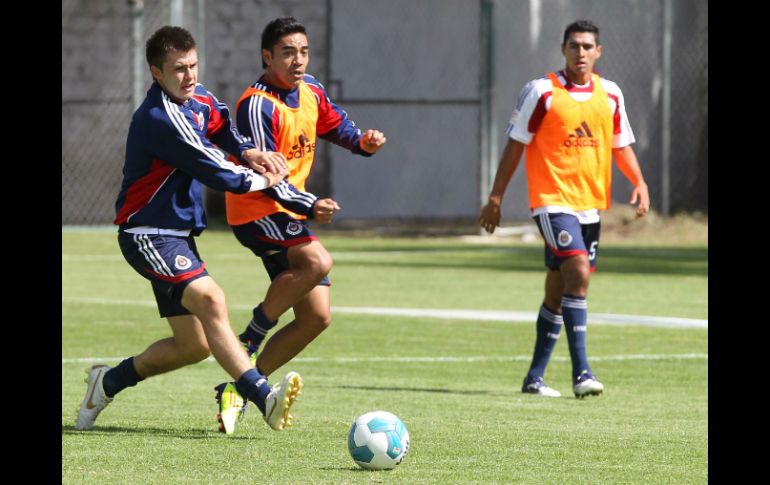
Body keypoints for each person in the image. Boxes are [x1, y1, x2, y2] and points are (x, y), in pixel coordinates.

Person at [75, 25, 322, 435]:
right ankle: (263, 398)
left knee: (193, 346)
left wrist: (249, 150)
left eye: (193, 65)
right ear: (157, 73)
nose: (189, 76)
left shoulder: (198, 96)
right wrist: (268, 179)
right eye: (178, 69)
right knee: (211, 299)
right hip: (147, 233)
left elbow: (221, 123)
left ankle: (108, 381)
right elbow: (219, 171)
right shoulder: (161, 118)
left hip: (176, 235)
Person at [215, 16, 386, 431]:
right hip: (255, 209)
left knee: (316, 318)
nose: (298, 60)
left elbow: (336, 124)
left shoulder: (310, 92)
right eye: (288, 52)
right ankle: (251, 338)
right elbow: (270, 178)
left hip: (289, 212)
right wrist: (310, 205)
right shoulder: (257, 105)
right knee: (318, 263)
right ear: (267, 56)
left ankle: (239, 386)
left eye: (304, 51)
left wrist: (361, 142)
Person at [479, 20, 650, 399]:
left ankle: (534, 378)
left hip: (590, 207)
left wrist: (638, 181)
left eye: (588, 46)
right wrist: (496, 197)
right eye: (574, 46)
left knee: (559, 288)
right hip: (551, 200)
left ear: (599, 51)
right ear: (563, 49)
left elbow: (621, 144)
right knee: (578, 271)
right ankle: (582, 372)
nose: (581, 53)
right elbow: (515, 145)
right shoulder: (542, 92)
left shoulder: (610, 95)